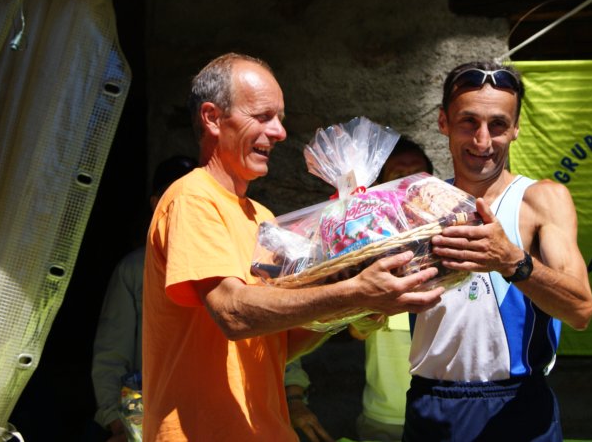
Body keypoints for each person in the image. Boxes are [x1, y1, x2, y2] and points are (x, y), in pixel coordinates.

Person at [141, 52, 449, 441]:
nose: (280, 132)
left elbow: (280, 343)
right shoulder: (192, 197)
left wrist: (357, 303)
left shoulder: (263, 218)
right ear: (212, 118)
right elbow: (232, 313)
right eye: (263, 116)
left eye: (280, 118)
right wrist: (354, 291)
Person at [403, 60, 592, 441]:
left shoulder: (541, 200)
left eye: (498, 125)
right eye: (468, 122)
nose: (482, 141)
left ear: (516, 128)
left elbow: (580, 310)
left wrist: (511, 260)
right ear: (443, 122)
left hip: (518, 407)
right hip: (434, 406)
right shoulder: (417, 205)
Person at [91, 155, 198, 441]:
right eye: (173, 195)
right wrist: (118, 422)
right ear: (155, 204)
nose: (185, 205)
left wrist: (293, 395)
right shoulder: (134, 270)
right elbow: (112, 355)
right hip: (152, 419)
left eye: (193, 196)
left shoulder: (226, 262)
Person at [348, 137, 434, 442]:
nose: (407, 187)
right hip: (384, 420)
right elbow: (357, 331)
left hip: (442, 415)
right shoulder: (366, 249)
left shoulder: (452, 246)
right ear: (379, 189)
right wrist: (369, 307)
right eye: (397, 177)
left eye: (417, 177)